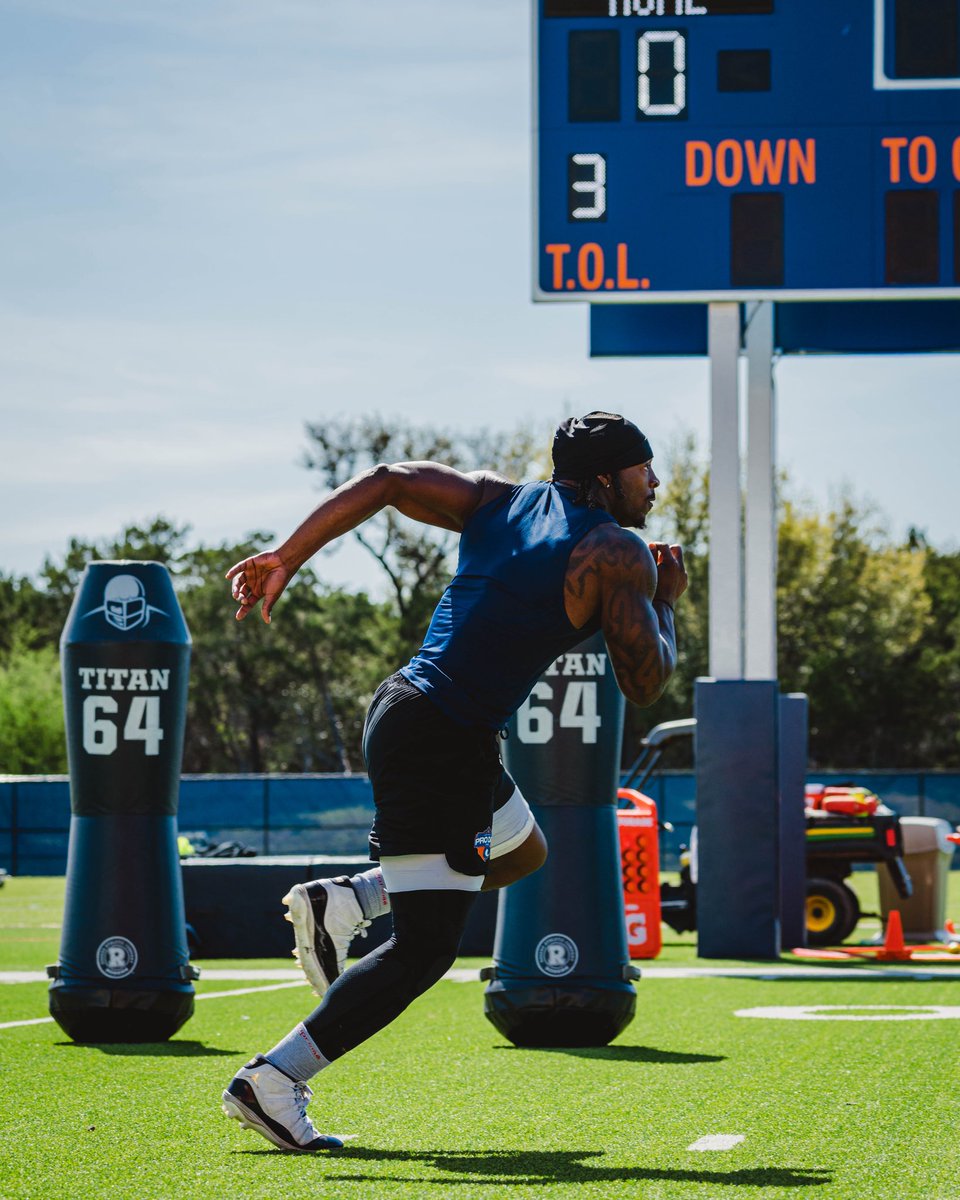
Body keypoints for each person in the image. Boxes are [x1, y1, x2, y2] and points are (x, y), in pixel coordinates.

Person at [220, 411, 687, 1152]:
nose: (655, 482)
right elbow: (646, 682)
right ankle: (274, 1079)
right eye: (644, 468)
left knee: (523, 851)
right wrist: (664, 598)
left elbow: (387, 480)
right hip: (442, 737)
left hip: (409, 709)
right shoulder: (616, 550)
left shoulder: (501, 499)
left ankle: (351, 898)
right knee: (425, 949)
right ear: (606, 477)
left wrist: (288, 555)